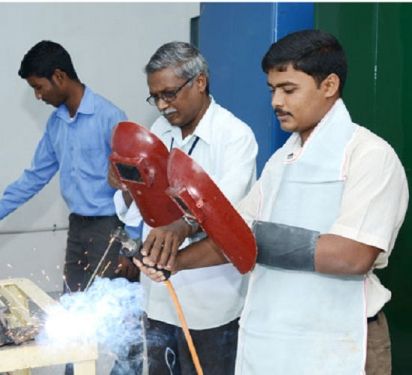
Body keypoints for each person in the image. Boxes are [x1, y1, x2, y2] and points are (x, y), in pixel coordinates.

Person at [137, 30, 409, 375]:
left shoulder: (370, 156)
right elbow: (233, 236)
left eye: (289, 90)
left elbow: (351, 256)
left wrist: (255, 236)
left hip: (343, 339)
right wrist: (174, 262)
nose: (276, 102)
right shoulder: (281, 161)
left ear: (329, 86)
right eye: (272, 90)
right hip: (279, 339)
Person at [112, 41, 258, 374]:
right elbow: (139, 210)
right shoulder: (159, 131)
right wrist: (126, 183)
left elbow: (226, 208)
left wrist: (182, 226)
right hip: (159, 295)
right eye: (155, 97)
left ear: (200, 82)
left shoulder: (234, 136)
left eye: (170, 94)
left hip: (211, 302)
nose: (162, 105)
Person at [0, 40, 132, 293]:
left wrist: (130, 246)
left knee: (103, 313)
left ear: (59, 76)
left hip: (110, 228)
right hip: (77, 227)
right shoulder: (56, 124)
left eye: (38, 87)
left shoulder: (110, 117)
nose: (38, 96)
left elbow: (134, 186)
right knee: (72, 303)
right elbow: (34, 177)